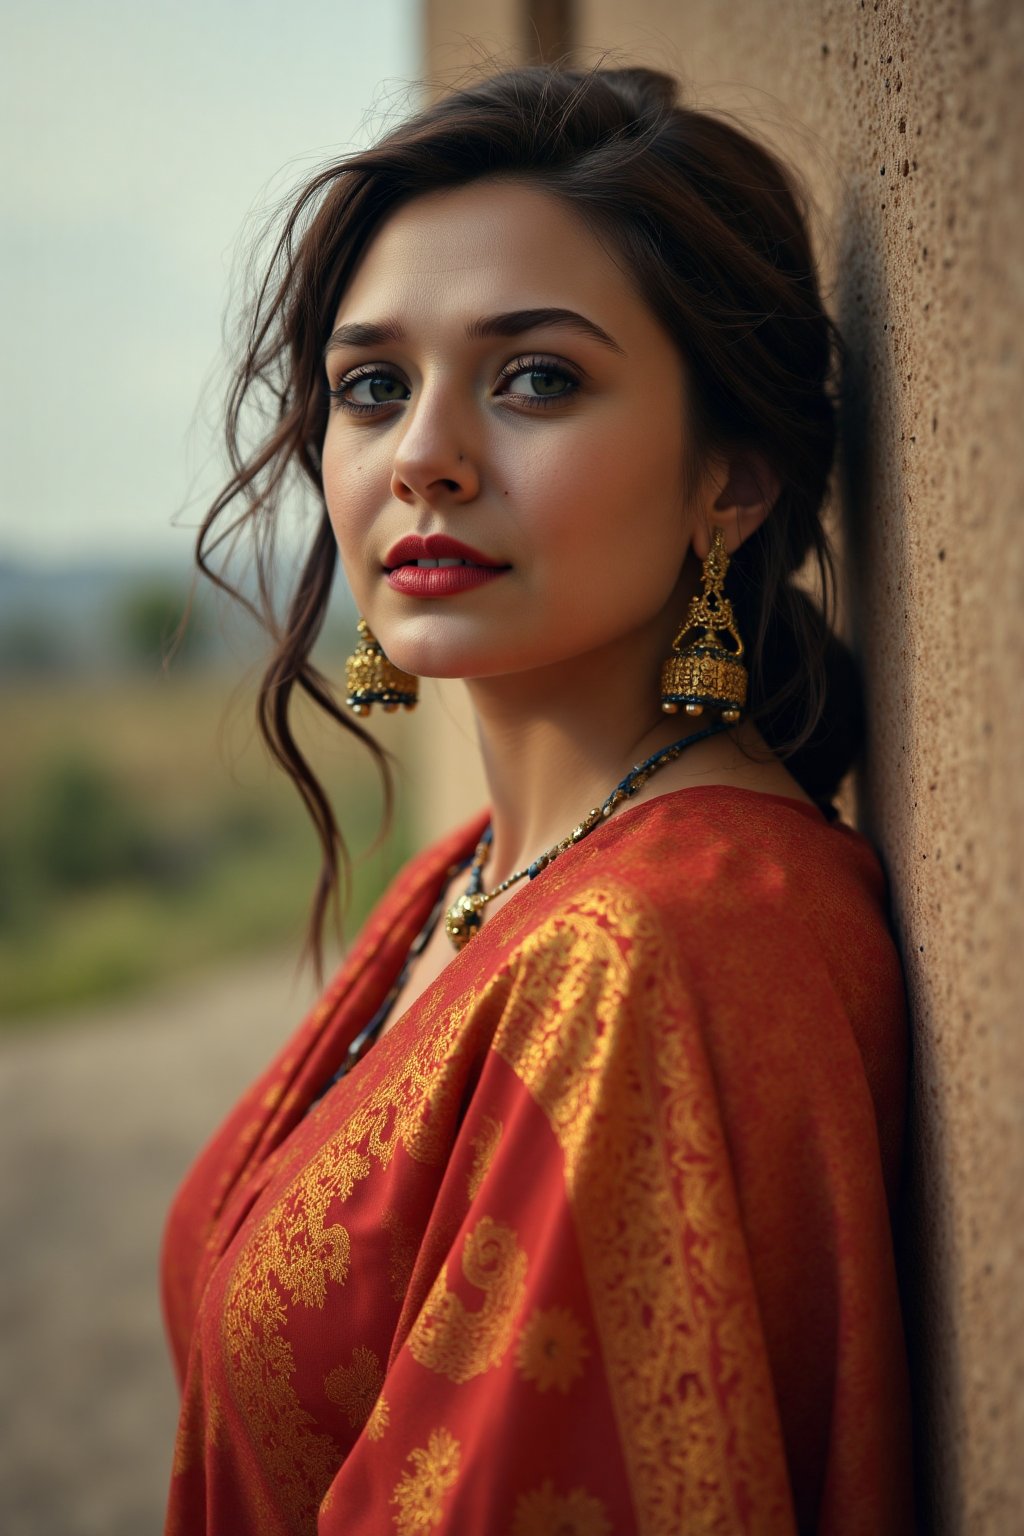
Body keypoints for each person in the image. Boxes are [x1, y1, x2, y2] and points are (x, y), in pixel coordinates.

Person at [161, 65, 916, 1535]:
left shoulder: (667, 944)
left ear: (735, 476)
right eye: (373, 385)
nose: (424, 457)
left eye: (536, 379)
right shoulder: (473, 881)